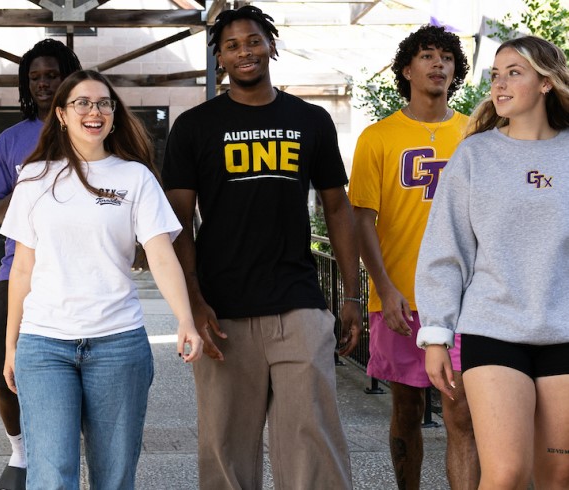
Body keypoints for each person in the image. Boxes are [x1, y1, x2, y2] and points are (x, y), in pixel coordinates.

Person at [162, 5, 362, 489]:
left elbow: (338, 208)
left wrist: (353, 296)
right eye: (232, 46)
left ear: (271, 46)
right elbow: (177, 222)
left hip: (298, 301)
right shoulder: (194, 126)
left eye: (253, 41)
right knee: (226, 450)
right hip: (223, 311)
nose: (245, 51)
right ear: (220, 60)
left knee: (312, 445)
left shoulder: (310, 119)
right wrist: (193, 301)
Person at [0, 69, 203, 489]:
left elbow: (162, 256)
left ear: (114, 114)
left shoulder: (135, 178)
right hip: (45, 345)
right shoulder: (34, 177)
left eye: (104, 103)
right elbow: (22, 268)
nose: (95, 111)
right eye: (82, 103)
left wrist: (185, 319)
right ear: (61, 114)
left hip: (118, 343)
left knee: (114, 477)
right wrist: (11, 345)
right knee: (52, 475)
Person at [417, 35, 569, 489]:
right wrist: (437, 336)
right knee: (505, 474)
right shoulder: (474, 155)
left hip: (563, 328)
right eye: (495, 75)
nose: (499, 84)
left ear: (546, 83)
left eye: (514, 73)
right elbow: (446, 249)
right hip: (493, 327)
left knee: (560, 473)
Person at [349, 25, 479, 490]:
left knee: (459, 410)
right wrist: (384, 288)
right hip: (400, 297)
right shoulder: (377, 137)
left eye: (446, 57)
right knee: (405, 408)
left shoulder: (475, 131)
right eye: (427, 55)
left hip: (465, 299)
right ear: (407, 69)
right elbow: (361, 219)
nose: (438, 64)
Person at [0, 38, 81, 490]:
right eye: (35, 77)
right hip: (15, 271)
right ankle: (20, 450)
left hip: (79, 273)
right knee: (5, 371)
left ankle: (61, 448)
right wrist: (36, 195)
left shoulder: (91, 126)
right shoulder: (10, 139)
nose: (43, 83)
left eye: (51, 75)